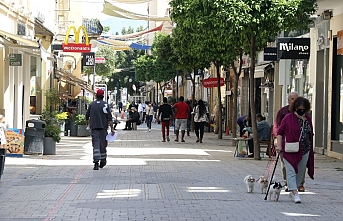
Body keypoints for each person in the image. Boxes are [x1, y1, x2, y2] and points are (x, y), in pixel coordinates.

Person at [276, 97, 314, 203]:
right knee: (291, 170)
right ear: (295, 108)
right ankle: (294, 192)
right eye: (299, 108)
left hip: (305, 149)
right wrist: (279, 145)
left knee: (300, 172)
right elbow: (280, 132)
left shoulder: (308, 119)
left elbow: (310, 134)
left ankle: (294, 188)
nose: (301, 110)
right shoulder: (288, 118)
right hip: (290, 149)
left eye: (303, 108)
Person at [273, 92, 305, 192]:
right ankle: (287, 183)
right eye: (292, 99)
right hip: (286, 143)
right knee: (286, 164)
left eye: (296, 99)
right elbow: (277, 126)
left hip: (300, 143)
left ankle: (299, 184)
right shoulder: (283, 111)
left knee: (300, 163)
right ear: (288, 100)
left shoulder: (303, 112)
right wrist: (276, 139)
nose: (294, 101)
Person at [86, 89, 115, 170]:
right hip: (103, 128)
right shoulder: (106, 105)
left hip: (94, 128)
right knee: (103, 145)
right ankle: (103, 160)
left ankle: (96, 162)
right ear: (103, 96)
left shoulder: (92, 104)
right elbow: (110, 118)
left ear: (96, 96)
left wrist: (87, 125)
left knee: (95, 144)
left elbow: (87, 116)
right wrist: (112, 129)